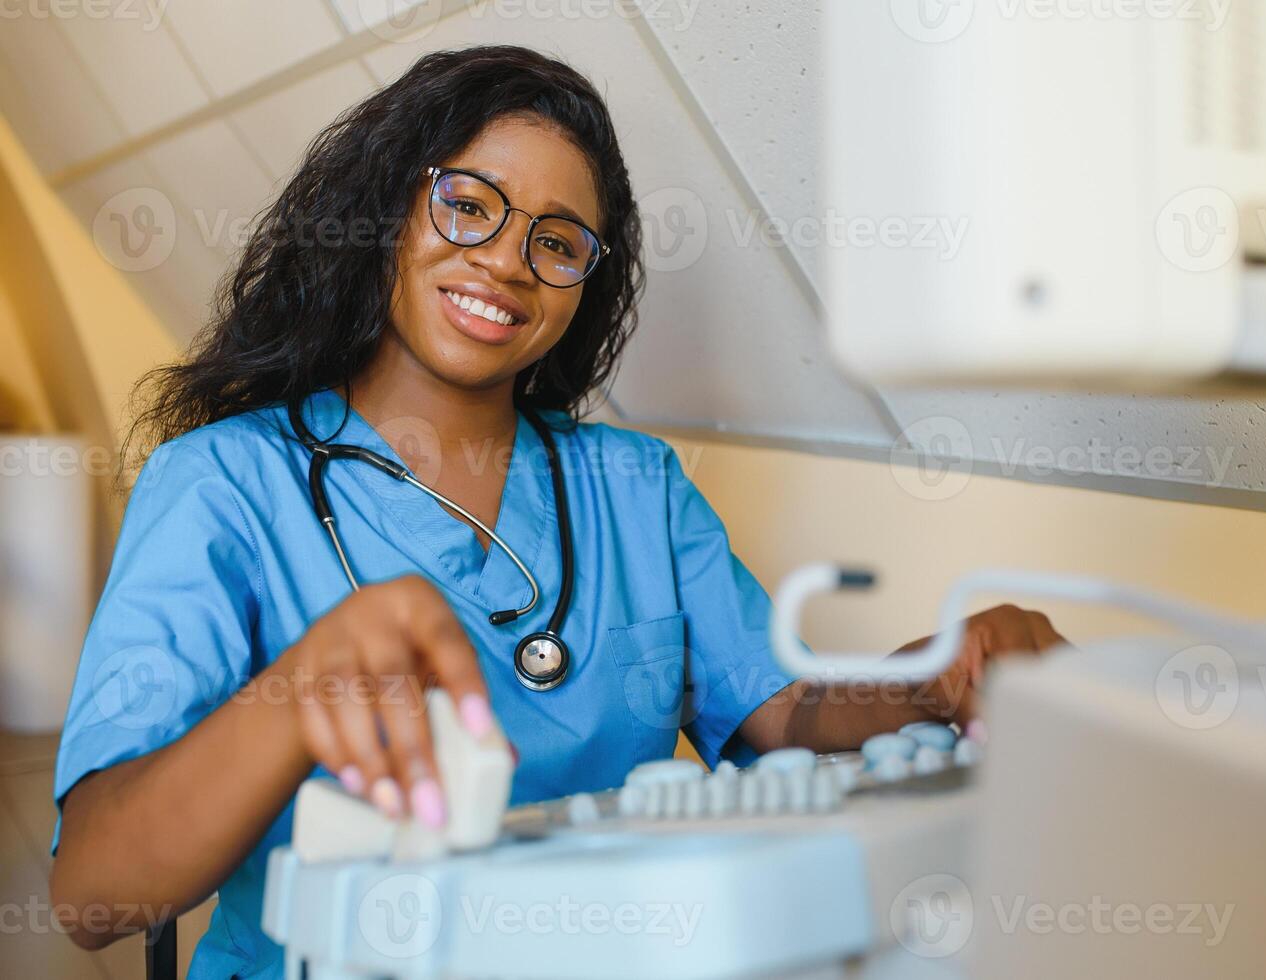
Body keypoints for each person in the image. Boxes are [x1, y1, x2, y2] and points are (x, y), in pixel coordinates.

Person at [48, 45, 1063, 977]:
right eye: (468, 204)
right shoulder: (224, 483)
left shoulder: (635, 486)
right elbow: (95, 892)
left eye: (557, 239)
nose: (505, 260)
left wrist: (931, 679)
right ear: (385, 211)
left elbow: (785, 714)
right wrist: (302, 685)